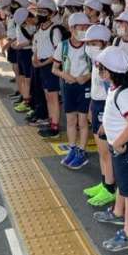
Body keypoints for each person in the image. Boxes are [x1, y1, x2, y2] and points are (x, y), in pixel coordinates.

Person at [93, 46, 128, 252]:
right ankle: (117, 212)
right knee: (123, 183)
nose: (99, 72)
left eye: (101, 68)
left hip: (127, 148)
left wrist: (117, 143)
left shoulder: (126, 93)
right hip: (121, 146)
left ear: (112, 71)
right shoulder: (116, 87)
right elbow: (115, 112)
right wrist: (105, 126)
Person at [52, 12, 91, 169]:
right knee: (70, 120)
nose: (84, 30)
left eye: (86, 28)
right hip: (68, 86)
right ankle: (72, 149)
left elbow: (98, 69)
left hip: (84, 87)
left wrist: (86, 77)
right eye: (81, 27)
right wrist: (65, 75)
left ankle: (82, 151)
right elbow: (54, 68)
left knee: (82, 121)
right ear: (71, 28)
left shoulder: (90, 46)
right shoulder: (63, 46)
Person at [82, 24, 116, 206]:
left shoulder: (108, 63)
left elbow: (111, 91)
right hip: (96, 104)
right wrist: (90, 107)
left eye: (94, 43)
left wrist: (106, 118)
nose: (90, 47)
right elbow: (95, 87)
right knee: (100, 150)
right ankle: (104, 182)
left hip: (105, 107)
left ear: (104, 43)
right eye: (88, 43)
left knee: (105, 151)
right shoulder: (97, 61)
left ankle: (110, 188)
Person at [32, 0, 62, 139]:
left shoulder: (55, 30)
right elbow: (37, 45)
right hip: (41, 65)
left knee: (53, 97)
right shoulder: (39, 28)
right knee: (47, 96)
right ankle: (51, 122)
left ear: (51, 14)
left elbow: (58, 53)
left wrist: (42, 63)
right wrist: (35, 59)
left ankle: (55, 127)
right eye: (39, 11)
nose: (40, 14)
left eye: (44, 12)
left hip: (50, 66)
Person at [12, 7, 36, 113]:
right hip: (21, 52)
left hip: (28, 53)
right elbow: (20, 38)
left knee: (28, 79)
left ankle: (27, 102)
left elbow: (33, 41)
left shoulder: (34, 26)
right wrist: (16, 44)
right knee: (22, 76)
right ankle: (24, 98)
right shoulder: (20, 24)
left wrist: (21, 45)